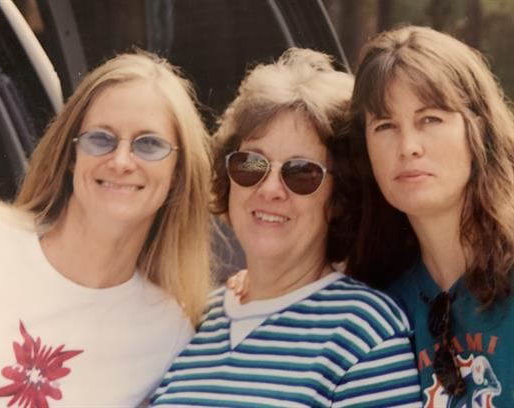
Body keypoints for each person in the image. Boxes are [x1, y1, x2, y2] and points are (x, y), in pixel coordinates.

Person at [151, 48, 422, 407]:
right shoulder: (195, 319)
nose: (269, 189)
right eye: (251, 164)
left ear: (341, 196)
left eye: (301, 172)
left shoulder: (366, 332)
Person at [0, 50, 212, 406]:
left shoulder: (169, 335)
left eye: (149, 144)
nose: (121, 161)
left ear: (177, 174)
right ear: (71, 156)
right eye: (101, 138)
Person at [332, 25, 514, 407]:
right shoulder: (376, 302)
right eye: (385, 126)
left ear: (477, 127)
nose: (408, 147)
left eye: (430, 119)